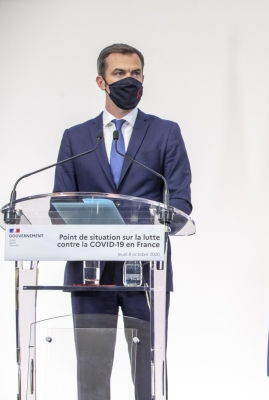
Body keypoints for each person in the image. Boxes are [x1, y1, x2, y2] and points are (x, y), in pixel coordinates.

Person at [53, 43, 192, 399]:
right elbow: (59, 207)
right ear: (101, 81)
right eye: (119, 74)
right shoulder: (76, 139)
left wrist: (148, 225)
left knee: (147, 374)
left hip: (145, 274)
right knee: (92, 374)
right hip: (89, 274)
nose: (129, 80)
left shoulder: (165, 133)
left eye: (135, 73)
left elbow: (179, 202)